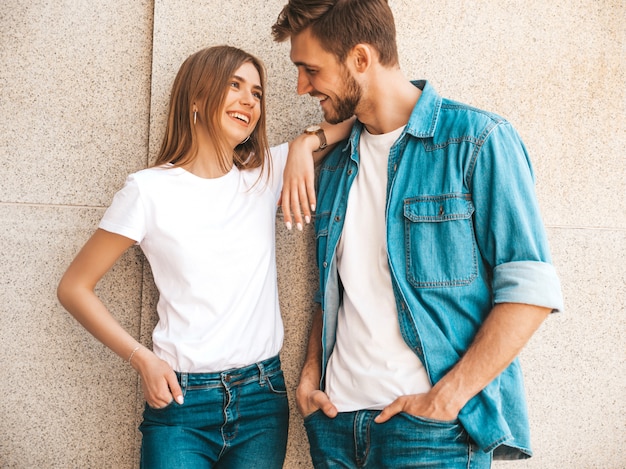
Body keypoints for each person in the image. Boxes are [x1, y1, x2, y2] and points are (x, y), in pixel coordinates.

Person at [272, 1, 564, 467]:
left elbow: (530, 290)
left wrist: (446, 400)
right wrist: (310, 376)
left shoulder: (476, 141)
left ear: (360, 59)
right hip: (336, 426)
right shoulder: (333, 168)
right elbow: (330, 290)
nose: (301, 86)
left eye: (310, 69)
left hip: (432, 434)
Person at [57, 45, 351, 468]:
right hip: (181, 403)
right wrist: (142, 360)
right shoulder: (148, 191)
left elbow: (352, 116)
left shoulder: (266, 174)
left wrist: (306, 143)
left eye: (257, 92)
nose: (249, 101)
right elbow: (74, 288)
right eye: (235, 86)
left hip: (262, 401)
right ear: (196, 98)